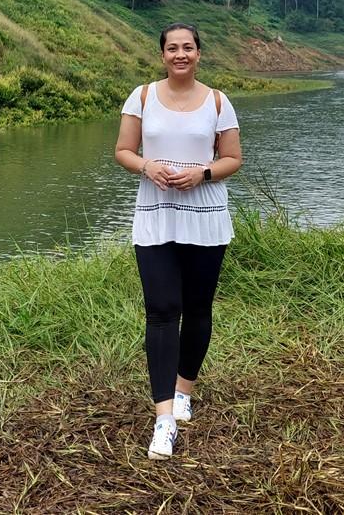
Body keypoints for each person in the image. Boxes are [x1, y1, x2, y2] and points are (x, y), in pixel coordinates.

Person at [114, 23, 242, 460]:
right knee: (162, 310)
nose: (180, 54)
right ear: (162, 54)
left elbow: (233, 159)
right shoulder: (143, 96)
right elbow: (123, 150)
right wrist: (147, 167)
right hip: (156, 214)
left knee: (198, 308)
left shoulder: (219, 101)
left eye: (188, 47)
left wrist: (201, 173)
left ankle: (184, 387)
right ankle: (163, 418)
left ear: (199, 53)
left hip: (205, 217)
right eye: (173, 48)